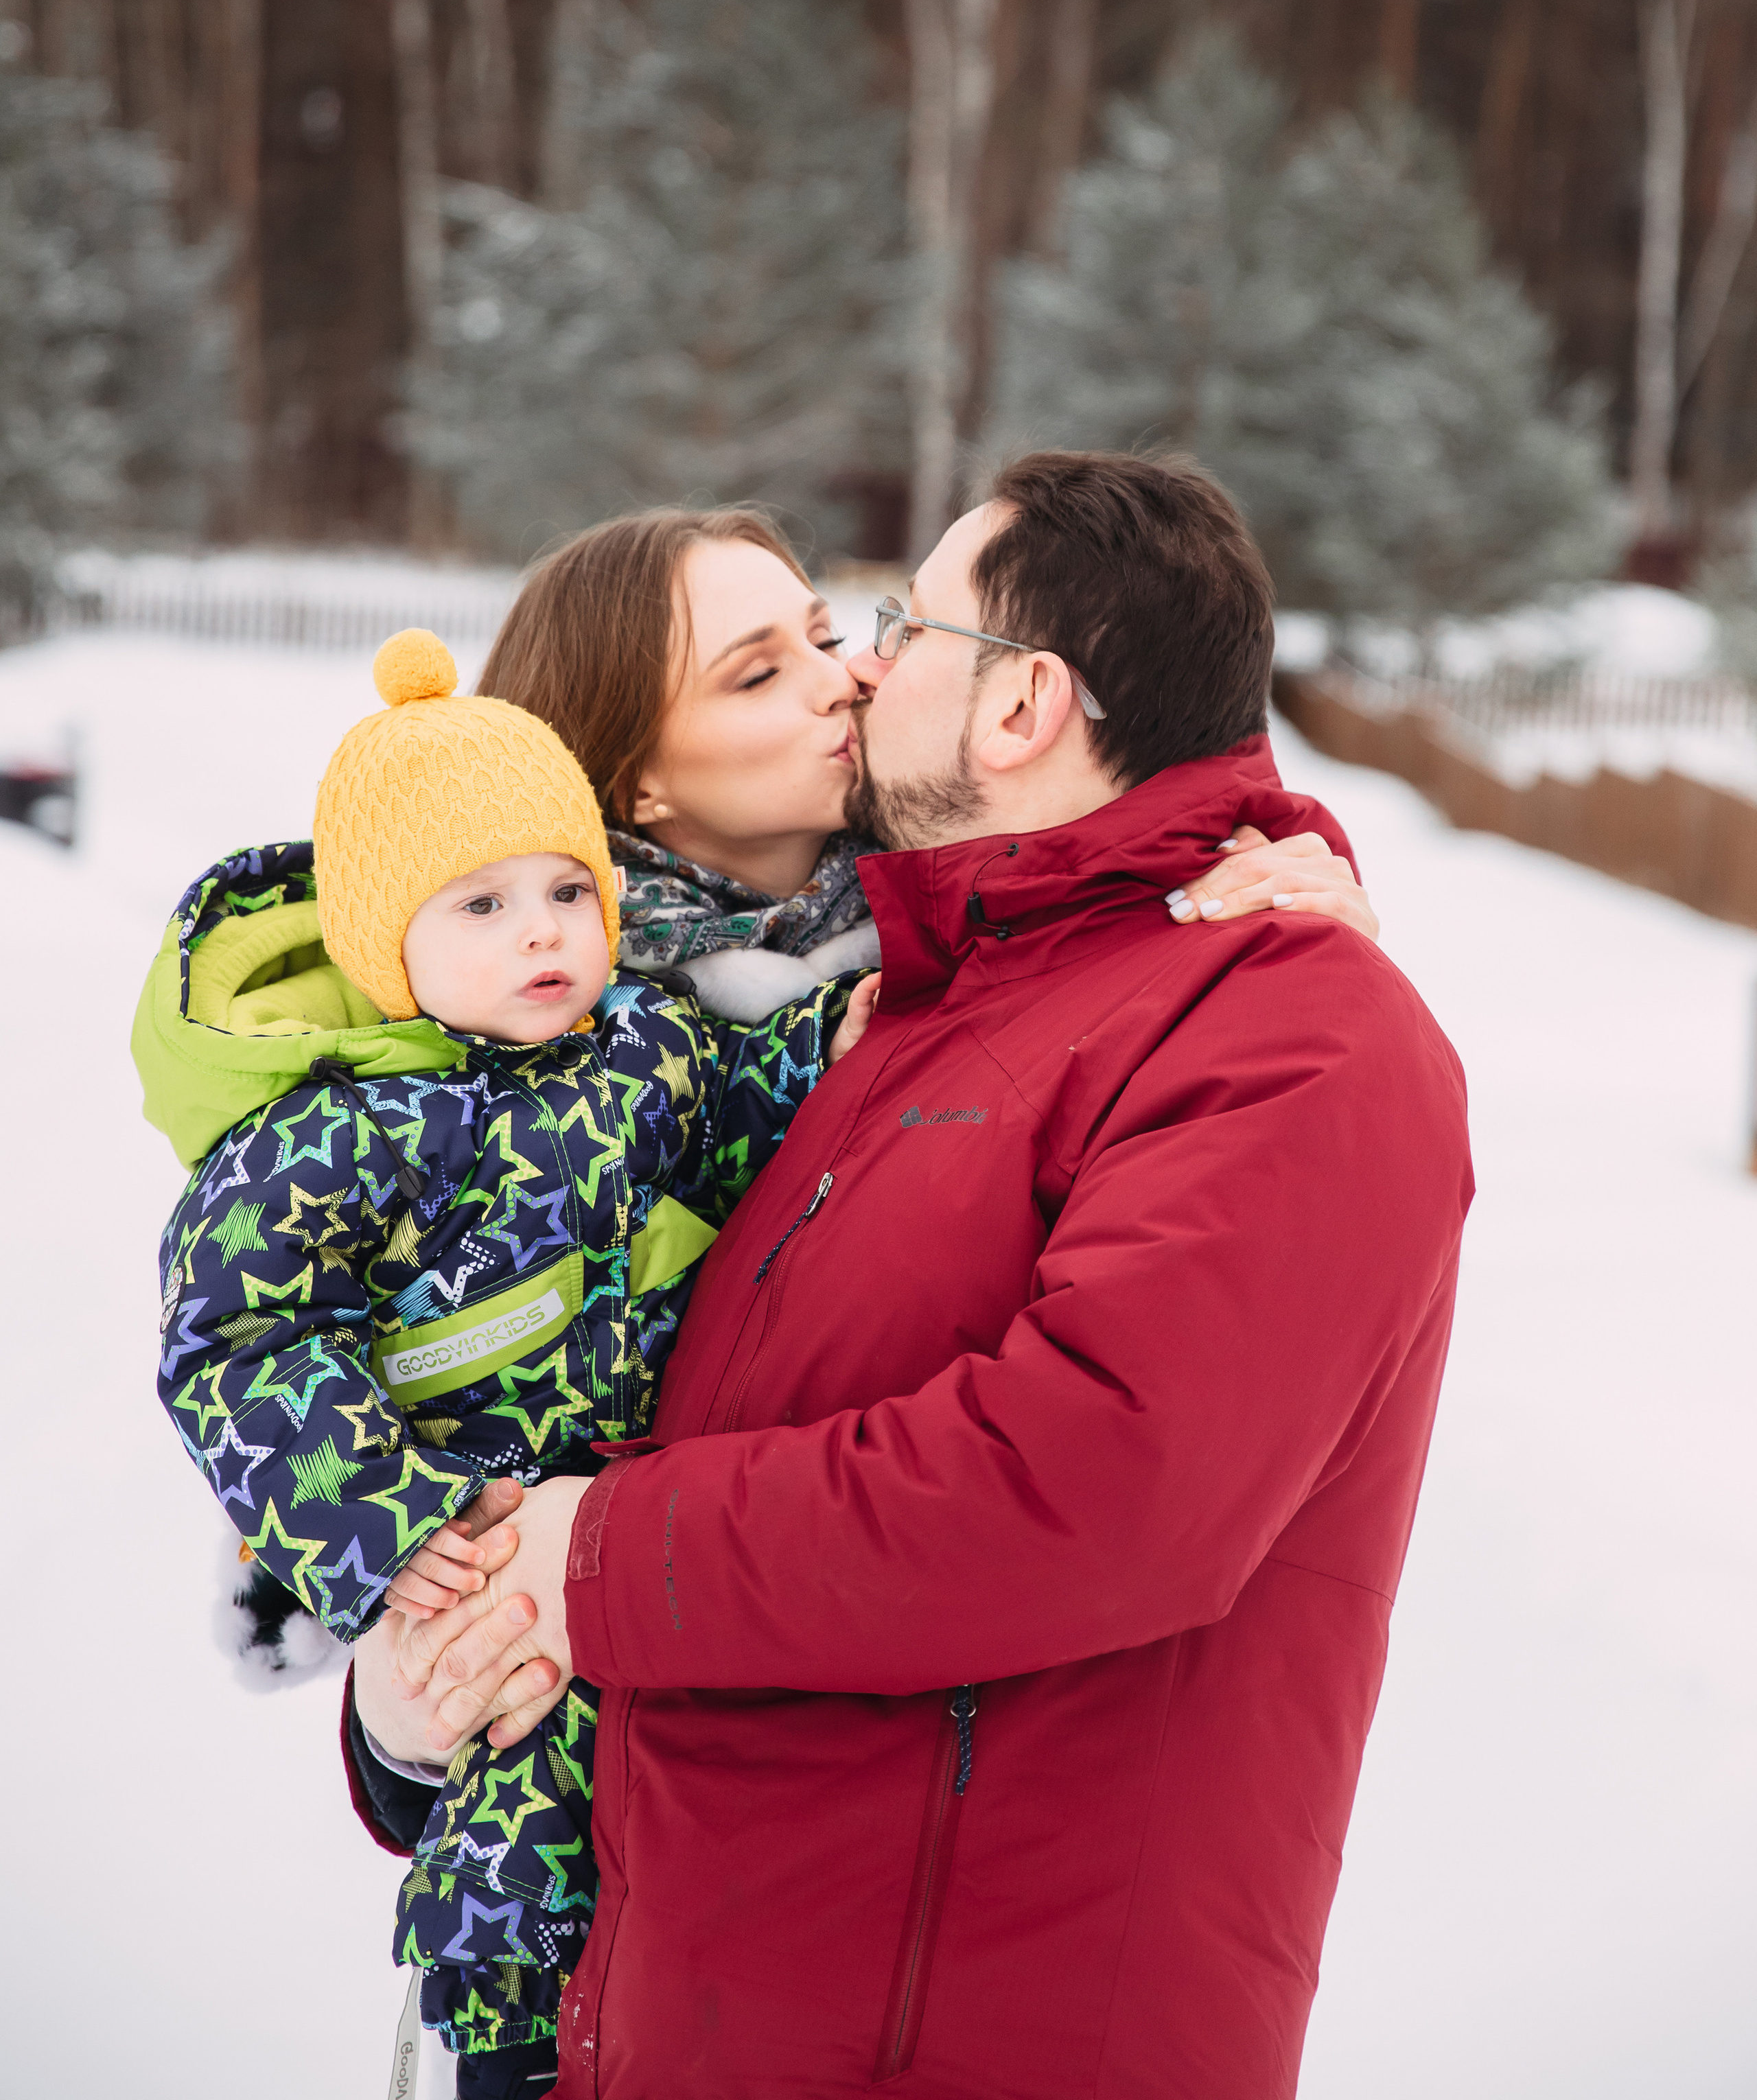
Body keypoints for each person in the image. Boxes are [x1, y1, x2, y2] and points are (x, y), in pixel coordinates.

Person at [358, 452, 1474, 2100]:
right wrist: (403, 1690)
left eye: (881, 624)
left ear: (1021, 703)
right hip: (632, 2006)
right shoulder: (854, 1018)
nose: (854, 671)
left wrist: (584, 1557)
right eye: (770, 662)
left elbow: (1095, 1481)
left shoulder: (1254, 1016)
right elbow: (475, 1434)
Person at [137, 628, 874, 2097]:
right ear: (382, 950)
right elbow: (235, 1338)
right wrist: (381, 1518)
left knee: (649, 1804)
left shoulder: (642, 1042)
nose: (539, 933)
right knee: (520, 1790)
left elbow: (728, 1117)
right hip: (471, 1527)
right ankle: (503, 2039)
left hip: (627, 1501)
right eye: (477, 905)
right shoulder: (342, 1135)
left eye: (561, 893)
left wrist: (828, 1047)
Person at [474, 504, 1380, 1014]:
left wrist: (1274, 910)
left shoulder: (955, 886)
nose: (844, 680)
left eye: (824, 637)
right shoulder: (537, 1005)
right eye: (755, 676)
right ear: (636, 777)